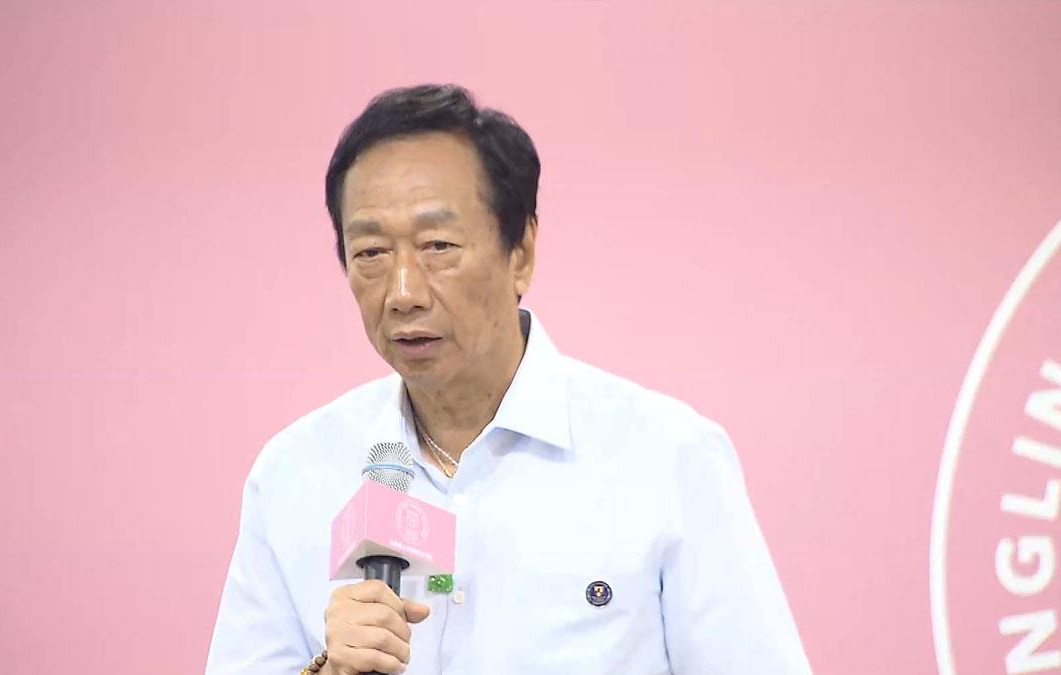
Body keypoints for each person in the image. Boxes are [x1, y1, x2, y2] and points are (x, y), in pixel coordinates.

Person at [206, 84, 811, 674]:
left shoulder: (667, 457)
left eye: (438, 245)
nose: (403, 292)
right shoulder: (294, 475)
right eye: (371, 253)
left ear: (520, 251)